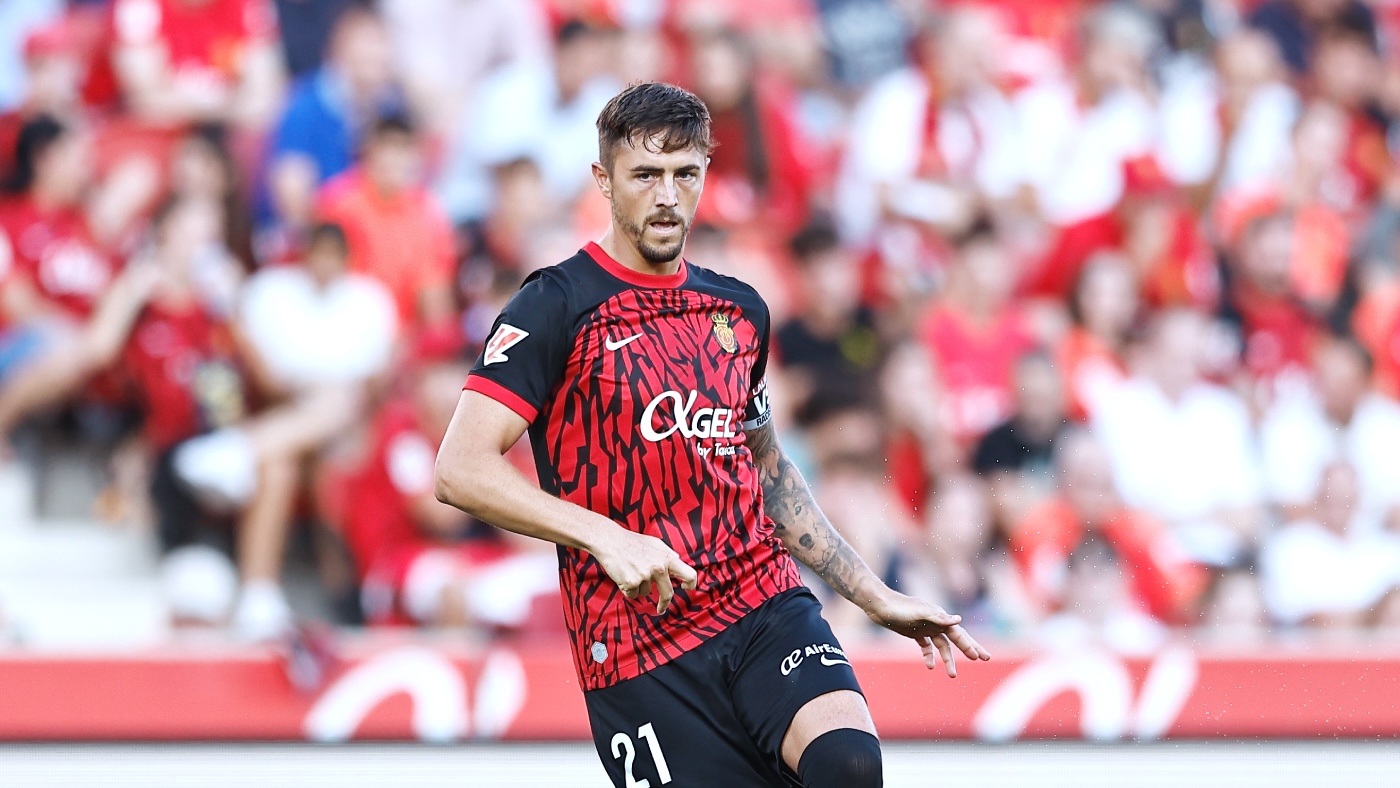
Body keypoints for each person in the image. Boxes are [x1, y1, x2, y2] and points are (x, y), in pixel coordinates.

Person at [434, 83, 989, 788]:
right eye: (645, 175)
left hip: (760, 602)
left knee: (848, 766)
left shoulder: (739, 310)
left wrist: (873, 596)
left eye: (684, 174)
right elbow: (459, 469)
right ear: (603, 180)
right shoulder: (555, 306)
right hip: (637, 648)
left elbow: (768, 471)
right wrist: (606, 537)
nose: (667, 196)